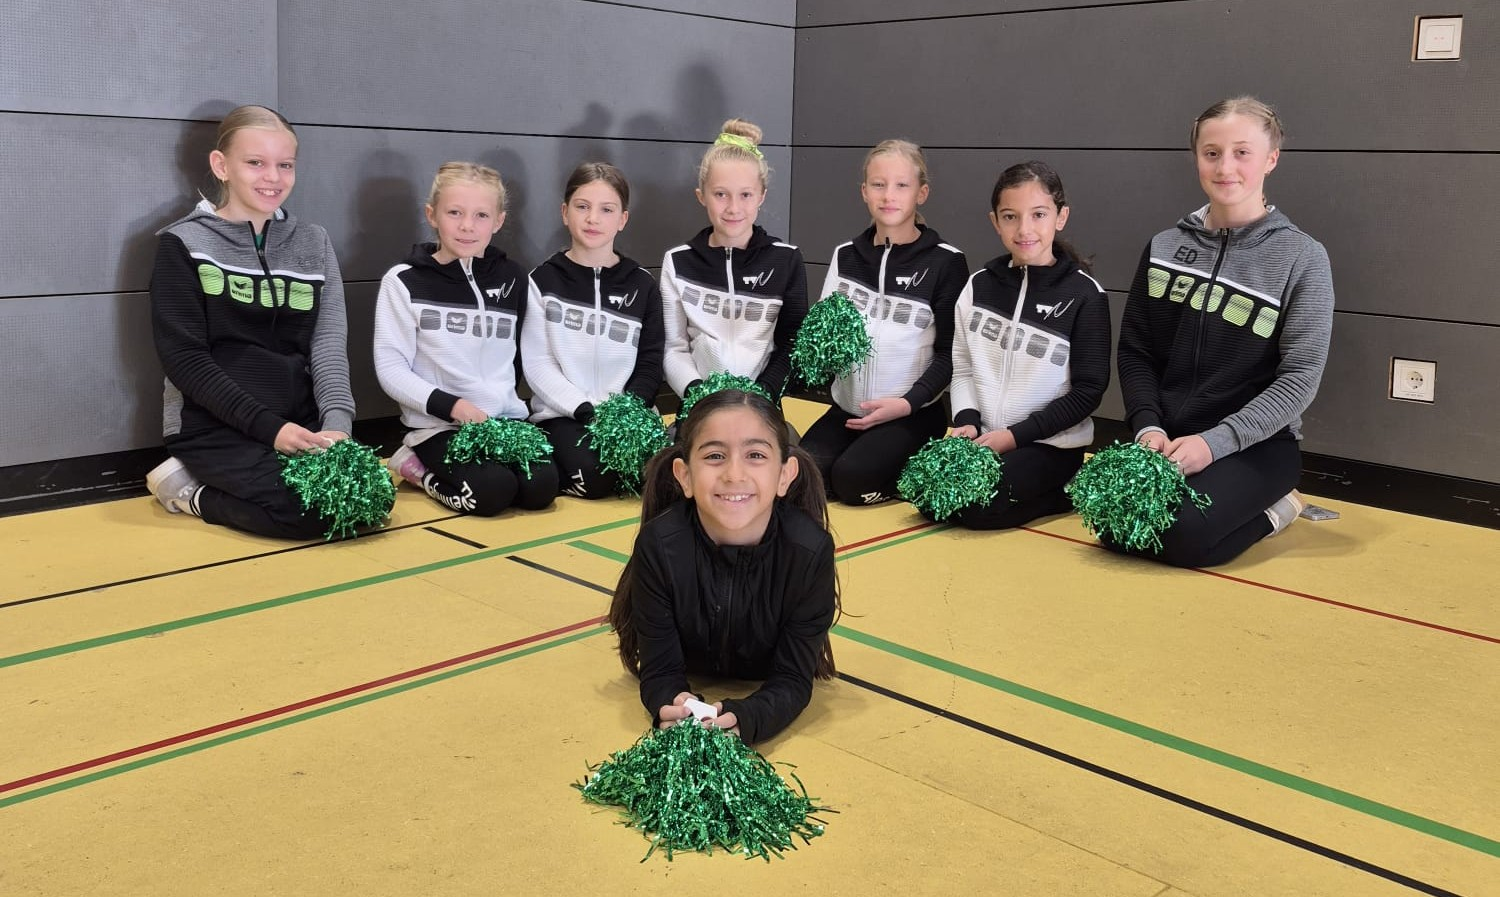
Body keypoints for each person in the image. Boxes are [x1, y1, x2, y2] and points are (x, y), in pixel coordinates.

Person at [1114, 96, 1334, 567]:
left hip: (1256, 445)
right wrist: (1147, 424)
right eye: (1211, 153)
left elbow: (1299, 379)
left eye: (1242, 153)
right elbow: (1136, 351)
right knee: (1117, 523)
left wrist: (1214, 444)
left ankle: (1280, 508)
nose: (1225, 167)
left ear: (1271, 159)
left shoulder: (1303, 258)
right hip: (1168, 438)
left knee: (1180, 536)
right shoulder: (1163, 247)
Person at [146, 104, 364, 540]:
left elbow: (327, 343)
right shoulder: (183, 244)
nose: (273, 178)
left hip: (299, 423)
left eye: (285, 165)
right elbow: (185, 360)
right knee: (310, 512)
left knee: (367, 498)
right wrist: (270, 429)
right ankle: (189, 492)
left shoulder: (313, 241)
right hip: (216, 426)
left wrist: (337, 426)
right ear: (221, 166)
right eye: (255, 163)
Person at [607, 389, 839, 745]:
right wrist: (673, 703)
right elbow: (660, 671)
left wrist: (747, 718)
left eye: (755, 455)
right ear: (684, 475)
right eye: (715, 456)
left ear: (784, 475)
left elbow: (793, 678)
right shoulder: (659, 545)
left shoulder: (809, 551)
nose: (734, 474)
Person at [373, 162, 559, 515]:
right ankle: (416, 467)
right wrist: (455, 406)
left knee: (541, 489)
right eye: (454, 212)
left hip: (503, 421)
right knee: (490, 494)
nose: (467, 226)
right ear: (432, 215)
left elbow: (526, 356)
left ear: (499, 221)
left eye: (481, 215)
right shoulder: (404, 281)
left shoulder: (514, 278)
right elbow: (391, 369)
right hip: (439, 425)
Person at [945, 161, 1112, 529]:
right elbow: (964, 367)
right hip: (986, 438)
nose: (1024, 229)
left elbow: (1088, 391)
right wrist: (967, 421)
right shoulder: (978, 285)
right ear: (995, 221)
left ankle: (1065, 491)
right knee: (934, 495)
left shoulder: (1085, 295)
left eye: (1038, 214)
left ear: (1060, 217)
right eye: (1010, 216)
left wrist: (1014, 436)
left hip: (1050, 445)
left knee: (975, 508)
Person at [801, 140, 969, 505]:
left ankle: (907, 464)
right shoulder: (845, 256)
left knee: (851, 482)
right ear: (864, 191)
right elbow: (824, 337)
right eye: (878, 184)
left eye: (901, 185)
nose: (888, 195)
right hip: (849, 410)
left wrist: (907, 403)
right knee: (802, 476)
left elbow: (949, 355)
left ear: (921, 193)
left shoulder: (946, 262)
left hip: (911, 414)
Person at [521, 162, 664, 498]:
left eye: (606, 210)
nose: (593, 219)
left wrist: (627, 413)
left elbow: (650, 361)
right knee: (597, 478)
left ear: (622, 219)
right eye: (582, 207)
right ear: (565, 212)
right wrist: (586, 411)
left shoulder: (642, 284)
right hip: (565, 415)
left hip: (624, 415)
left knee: (656, 474)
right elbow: (538, 365)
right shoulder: (542, 281)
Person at [659, 118, 807, 401]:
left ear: (761, 196)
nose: (733, 208)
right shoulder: (677, 262)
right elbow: (673, 348)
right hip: (699, 404)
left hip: (762, 403)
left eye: (745, 195)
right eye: (720, 194)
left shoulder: (786, 259)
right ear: (701, 196)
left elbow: (792, 344)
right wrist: (698, 395)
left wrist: (762, 395)